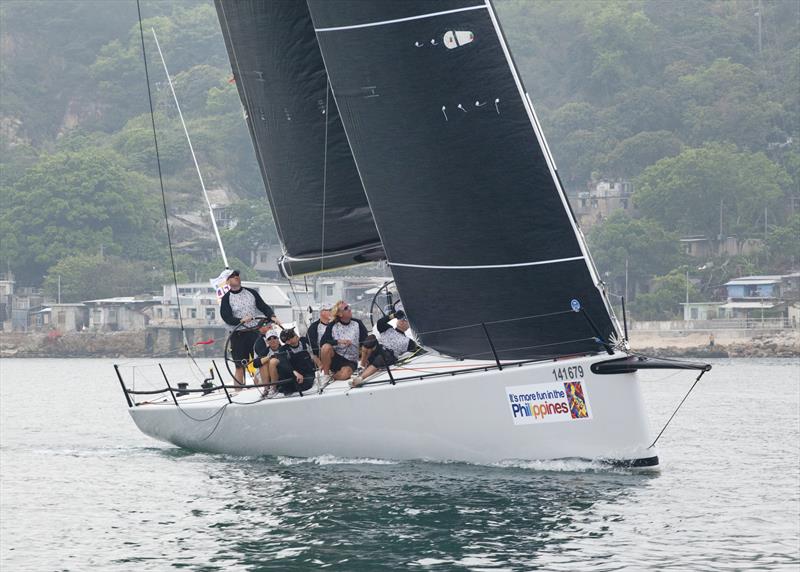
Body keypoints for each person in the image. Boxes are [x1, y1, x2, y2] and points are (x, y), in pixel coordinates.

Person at [220, 270, 282, 385]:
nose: (236, 277)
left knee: (260, 361)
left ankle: (263, 387)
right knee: (239, 365)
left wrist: (272, 316)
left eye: (237, 275)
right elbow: (226, 317)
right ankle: (238, 393)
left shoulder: (251, 292)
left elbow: (263, 306)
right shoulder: (226, 299)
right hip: (238, 335)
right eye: (233, 276)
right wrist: (240, 320)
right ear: (228, 281)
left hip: (254, 333)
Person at [351, 310, 419, 387]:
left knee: (384, 355)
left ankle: (360, 378)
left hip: (389, 356)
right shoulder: (388, 328)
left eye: (405, 320)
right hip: (378, 350)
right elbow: (380, 322)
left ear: (408, 326)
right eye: (401, 319)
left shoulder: (408, 341)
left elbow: (418, 348)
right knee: (371, 338)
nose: (402, 321)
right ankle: (361, 367)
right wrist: (394, 315)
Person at [319, 300, 369, 384]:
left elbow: (366, 342)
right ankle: (326, 375)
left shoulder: (357, 323)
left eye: (349, 306)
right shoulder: (332, 325)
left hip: (351, 360)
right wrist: (339, 341)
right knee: (326, 347)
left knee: (345, 375)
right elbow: (322, 342)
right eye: (346, 308)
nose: (349, 309)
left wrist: (364, 359)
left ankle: (333, 377)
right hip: (336, 357)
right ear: (340, 314)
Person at [276, 328, 316, 394]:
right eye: (292, 335)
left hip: (307, 372)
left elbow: (316, 350)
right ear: (287, 342)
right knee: (281, 368)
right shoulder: (283, 349)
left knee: (307, 384)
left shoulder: (304, 340)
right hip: (293, 374)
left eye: (294, 333)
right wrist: (294, 372)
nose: (295, 335)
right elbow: (284, 362)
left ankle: (291, 387)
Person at [252, 327, 283, 394]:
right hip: (270, 376)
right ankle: (266, 389)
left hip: (283, 375)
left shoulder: (284, 349)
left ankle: (274, 388)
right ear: (267, 341)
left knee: (273, 362)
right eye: (269, 339)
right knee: (263, 364)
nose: (272, 340)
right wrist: (269, 357)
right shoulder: (265, 351)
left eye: (274, 338)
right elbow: (255, 363)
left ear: (278, 339)